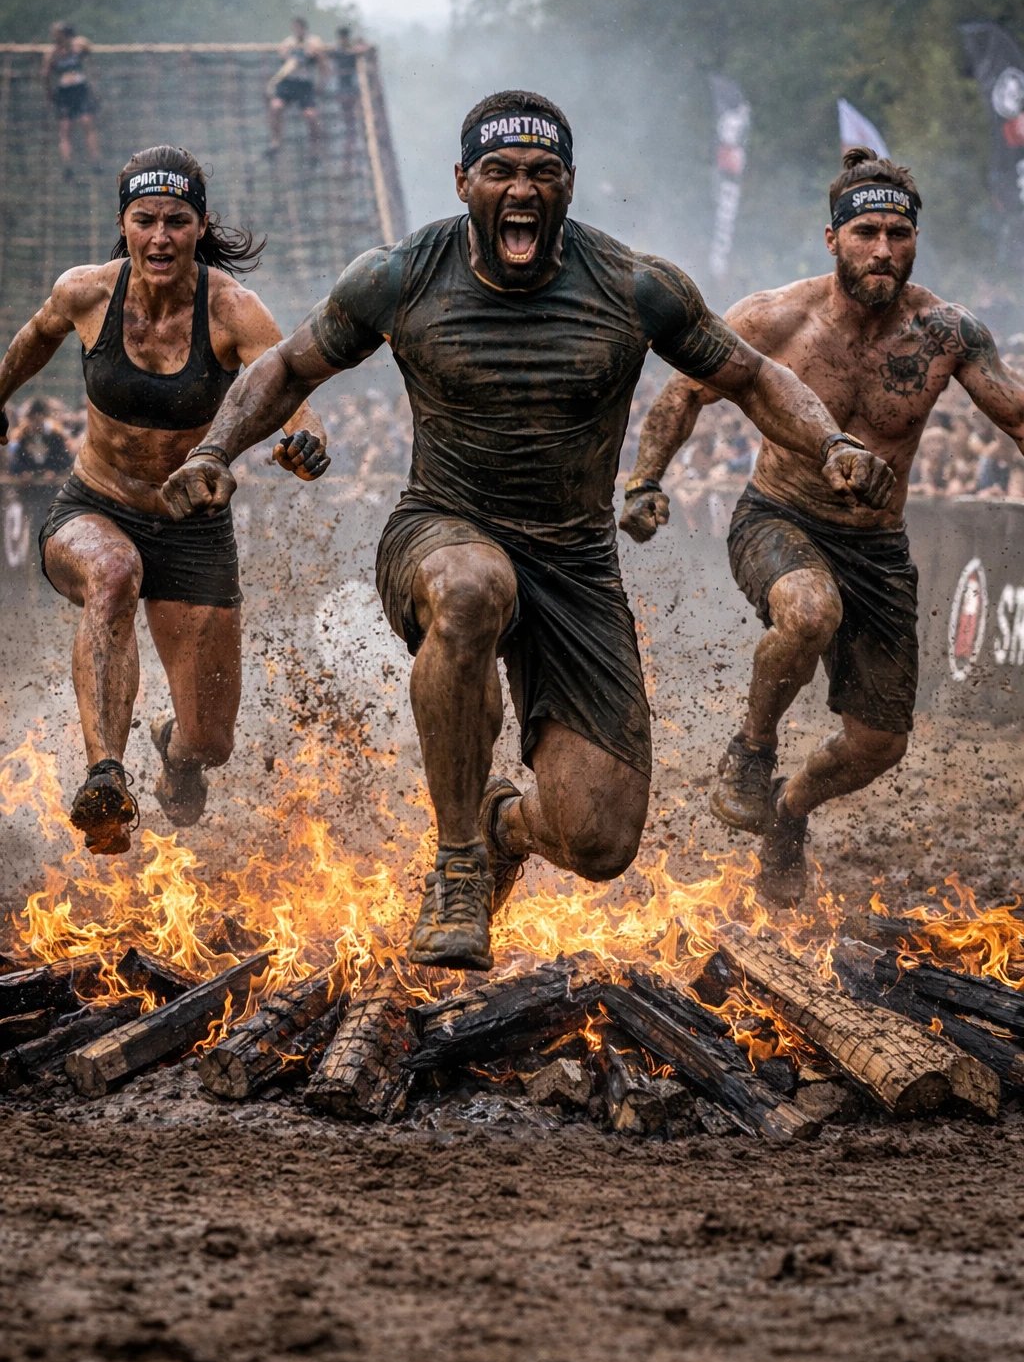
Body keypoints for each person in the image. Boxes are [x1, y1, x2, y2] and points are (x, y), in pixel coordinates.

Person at [161, 92, 891, 970]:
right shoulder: (399, 275)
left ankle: (501, 825)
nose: (521, 190)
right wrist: (215, 449)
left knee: (600, 842)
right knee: (474, 588)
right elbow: (285, 368)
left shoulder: (634, 285)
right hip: (442, 530)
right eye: (500, 172)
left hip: (575, 565)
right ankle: (458, 865)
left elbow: (754, 377)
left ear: (568, 188)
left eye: (542, 174)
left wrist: (833, 442)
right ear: (463, 182)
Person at [621, 146, 1024, 904]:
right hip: (780, 517)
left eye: (898, 234)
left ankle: (788, 810)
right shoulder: (773, 317)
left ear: (915, 240)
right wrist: (645, 480)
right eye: (866, 232)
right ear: (833, 238)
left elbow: (1018, 415)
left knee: (879, 744)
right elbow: (683, 393)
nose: (883, 250)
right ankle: (751, 750)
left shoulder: (946, 333)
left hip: (877, 546)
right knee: (809, 611)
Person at [0, 145, 328, 855]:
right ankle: (105, 777)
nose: (159, 237)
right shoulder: (86, 292)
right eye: (144, 220)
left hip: (192, 528)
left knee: (211, 741)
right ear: (123, 224)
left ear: (200, 226)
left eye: (176, 221)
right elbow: (35, 336)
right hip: (94, 506)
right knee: (113, 571)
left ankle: (174, 752)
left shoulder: (233, 310)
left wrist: (304, 439)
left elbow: (290, 384)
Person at [42, 22, 101, 179]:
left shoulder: (77, 47)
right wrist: (49, 93)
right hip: (65, 93)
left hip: (80, 90)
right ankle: (68, 166)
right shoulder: (52, 53)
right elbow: (46, 75)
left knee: (87, 124)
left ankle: (95, 161)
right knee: (65, 129)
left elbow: (87, 47)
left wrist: (75, 44)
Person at [266, 18, 326, 158]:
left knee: (311, 116)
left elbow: (323, 64)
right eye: (295, 28)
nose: (298, 31)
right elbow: (282, 56)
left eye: (300, 28)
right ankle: (275, 141)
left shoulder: (314, 42)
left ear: (304, 29)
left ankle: (314, 149)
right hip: (289, 82)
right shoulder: (288, 43)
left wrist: (321, 83)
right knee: (275, 107)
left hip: (304, 85)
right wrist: (289, 54)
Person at [7, 397, 74, 479]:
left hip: (52, 479)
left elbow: (63, 458)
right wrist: (23, 471)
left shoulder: (54, 435)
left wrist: (53, 470)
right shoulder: (23, 436)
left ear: (44, 418)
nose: (36, 424)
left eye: (39, 420)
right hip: (29, 479)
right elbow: (17, 459)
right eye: (33, 420)